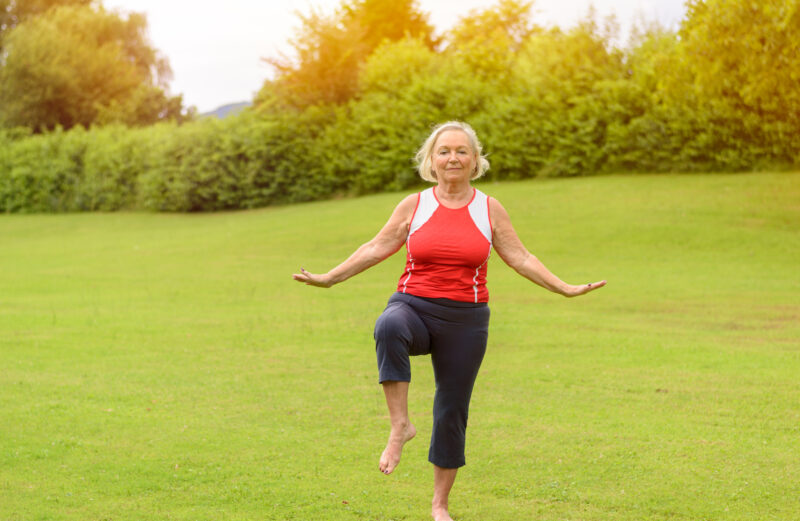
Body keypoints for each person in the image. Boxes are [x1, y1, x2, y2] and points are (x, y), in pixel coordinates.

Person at [293, 121, 606, 521]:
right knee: (388, 326)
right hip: (414, 306)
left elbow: (521, 257)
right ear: (431, 160)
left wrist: (563, 287)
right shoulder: (415, 205)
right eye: (444, 151)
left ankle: (439, 505)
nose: (453, 157)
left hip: (466, 319)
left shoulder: (488, 209)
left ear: (475, 160)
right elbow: (376, 247)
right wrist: (328, 278)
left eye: (461, 151)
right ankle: (400, 426)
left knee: (451, 410)